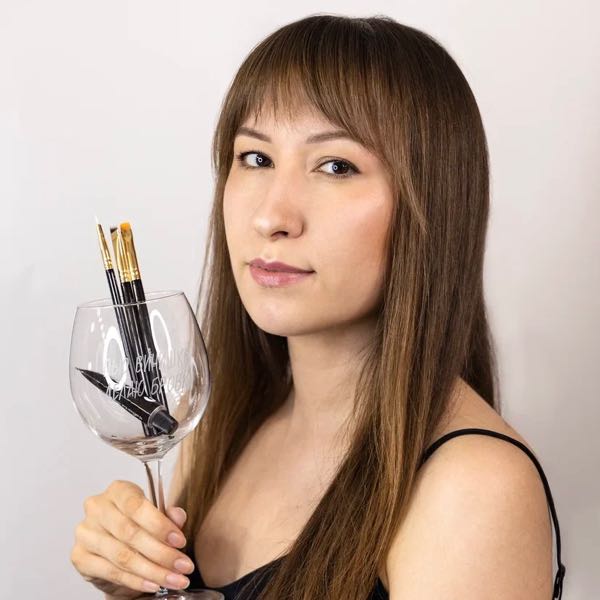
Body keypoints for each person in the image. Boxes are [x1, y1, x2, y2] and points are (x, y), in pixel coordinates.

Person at [70, 13, 566, 599]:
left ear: (432, 204)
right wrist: (129, 580)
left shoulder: (473, 488)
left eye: (336, 166)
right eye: (255, 158)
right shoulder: (218, 427)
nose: (271, 217)